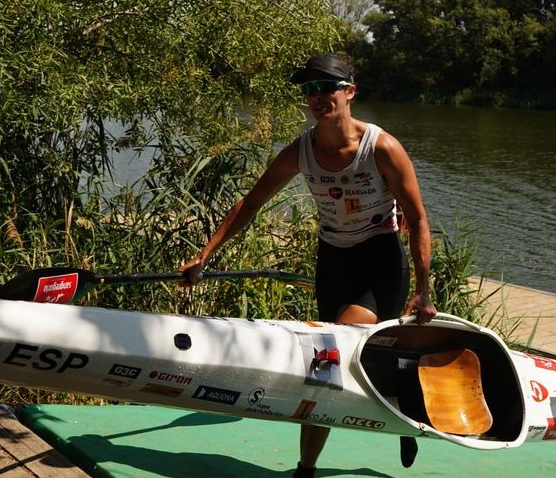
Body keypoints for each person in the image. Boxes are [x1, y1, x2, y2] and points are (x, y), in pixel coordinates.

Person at [178, 52, 437, 478]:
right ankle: (385, 414)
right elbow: (252, 202)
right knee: (336, 365)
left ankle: (311, 467)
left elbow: (419, 219)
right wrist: (206, 254)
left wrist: (423, 290)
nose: (317, 97)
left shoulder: (382, 148)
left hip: (379, 260)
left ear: (350, 92)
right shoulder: (301, 151)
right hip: (332, 262)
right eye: (309, 89)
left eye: (327, 87)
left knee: (326, 360)